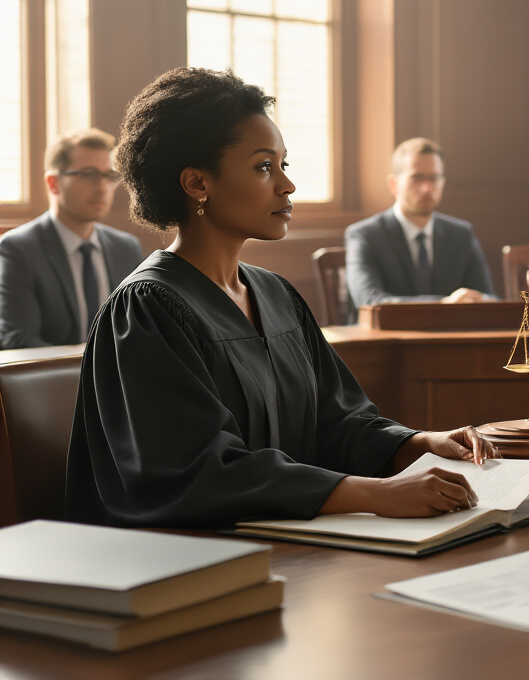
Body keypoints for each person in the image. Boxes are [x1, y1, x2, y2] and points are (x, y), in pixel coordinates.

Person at [65, 69, 497, 529]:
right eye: (263, 167)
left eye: (283, 166)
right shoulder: (147, 309)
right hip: (194, 563)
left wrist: (415, 444)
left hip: (297, 543)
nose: (286, 186)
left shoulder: (276, 295)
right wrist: (377, 493)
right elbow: (198, 472)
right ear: (197, 183)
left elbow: (336, 423)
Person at [0, 129, 143, 349]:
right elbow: (17, 339)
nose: (102, 188)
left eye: (108, 176)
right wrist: (92, 367)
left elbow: (139, 330)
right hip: (55, 382)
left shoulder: (126, 247)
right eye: (88, 174)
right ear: (53, 183)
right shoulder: (18, 249)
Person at [344, 138, 495, 314]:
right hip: (385, 339)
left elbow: (488, 297)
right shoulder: (365, 235)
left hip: (450, 337)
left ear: (443, 183)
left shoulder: (462, 234)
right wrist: (443, 304)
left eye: (434, 178)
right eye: (416, 178)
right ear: (393, 184)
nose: (426, 188)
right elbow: (369, 301)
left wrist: (477, 300)